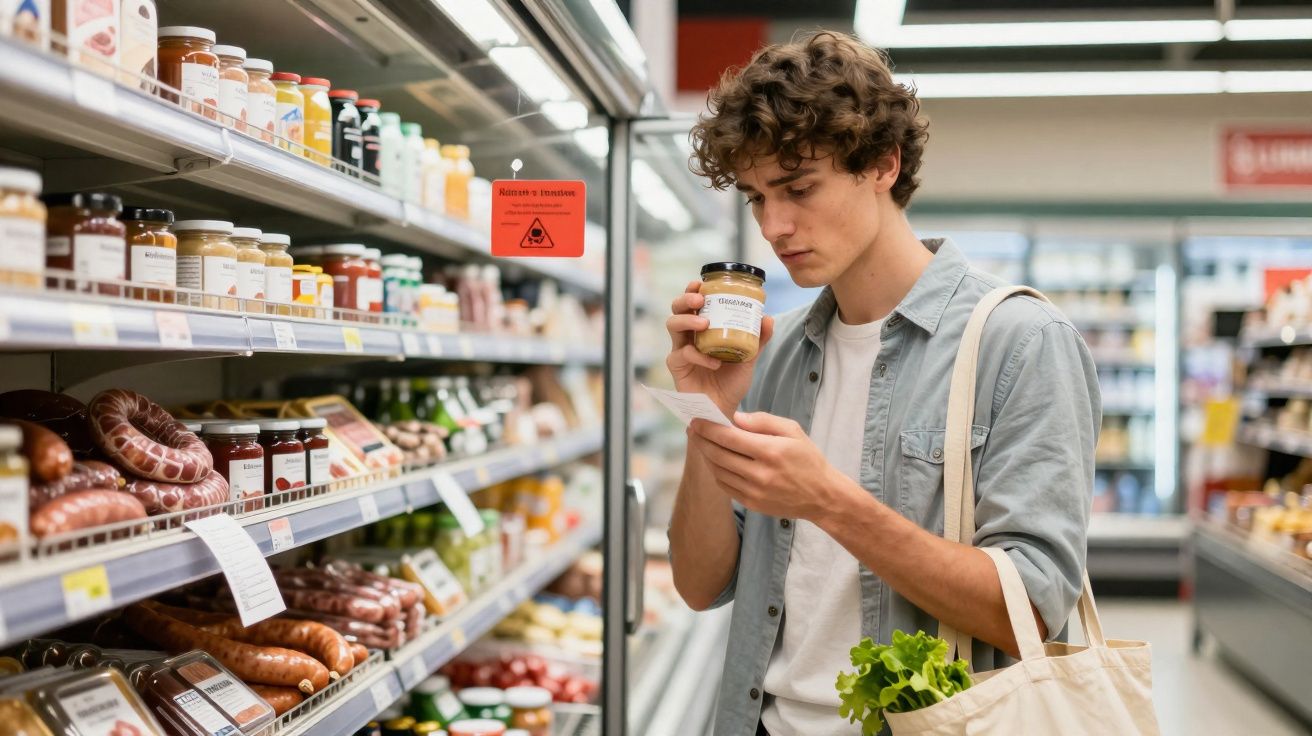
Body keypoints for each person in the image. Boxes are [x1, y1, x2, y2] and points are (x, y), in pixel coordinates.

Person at [666, 31, 1101, 735]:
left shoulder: (1019, 344)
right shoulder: (777, 356)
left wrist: (831, 502)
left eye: (799, 188)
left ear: (883, 165)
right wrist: (706, 413)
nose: (774, 226)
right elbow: (699, 583)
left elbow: (1033, 606)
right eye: (755, 197)